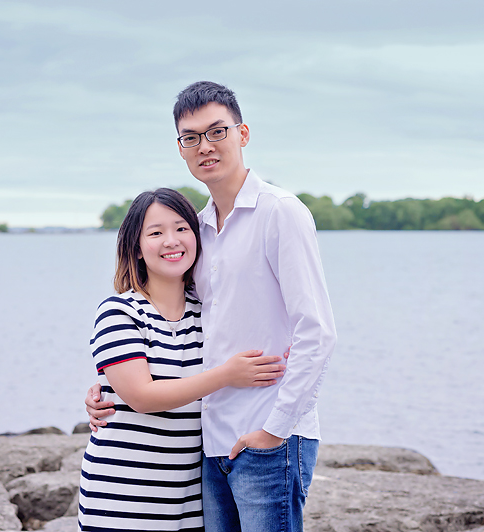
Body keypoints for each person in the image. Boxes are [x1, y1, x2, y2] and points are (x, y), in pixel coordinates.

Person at [87, 81, 337, 532]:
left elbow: (317, 332)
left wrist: (275, 431)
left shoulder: (280, 211)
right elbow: (175, 331)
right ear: (180, 148)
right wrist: (108, 392)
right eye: (191, 137)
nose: (205, 146)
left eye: (217, 131)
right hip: (211, 443)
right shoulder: (197, 230)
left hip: (268, 437)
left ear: (242, 134)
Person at [79, 187, 287, 532]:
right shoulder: (119, 311)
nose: (171, 241)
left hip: (190, 505)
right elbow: (142, 397)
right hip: (120, 499)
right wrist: (226, 375)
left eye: (181, 229)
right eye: (156, 233)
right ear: (137, 247)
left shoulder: (207, 314)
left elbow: (269, 340)